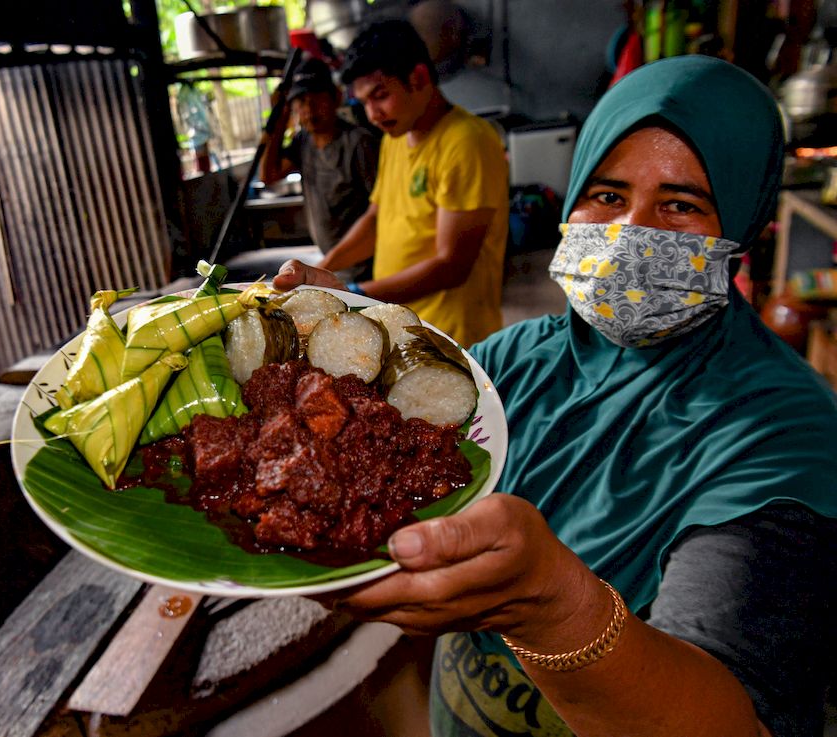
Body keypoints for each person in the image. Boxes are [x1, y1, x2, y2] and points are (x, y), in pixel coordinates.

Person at [275, 55, 837, 736]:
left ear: (745, 226)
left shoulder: (781, 434)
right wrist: (343, 337)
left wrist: (553, 607)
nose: (631, 230)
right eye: (605, 194)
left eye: (681, 204)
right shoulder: (515, 358)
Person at [281, 19, 509, 349]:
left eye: (381, 96)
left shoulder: (467, 142)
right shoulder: (396, 136)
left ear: (418, 78)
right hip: (401, 321)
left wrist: (356, 294)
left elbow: (452, 266)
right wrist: (319, 272)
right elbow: (376, 219)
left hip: (450, 333)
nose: (373, 114)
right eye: (364, 102)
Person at [260, 56, 380, 282]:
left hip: (364, 269)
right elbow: (268, 175)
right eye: (301, 102)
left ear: (335, 97)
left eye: (317, 99)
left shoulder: (359, 143)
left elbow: (381, 214)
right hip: (331, 265)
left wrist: (321, 269)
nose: (309, 109)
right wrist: (279, 119)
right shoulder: (303, 141)